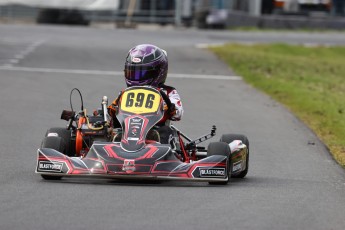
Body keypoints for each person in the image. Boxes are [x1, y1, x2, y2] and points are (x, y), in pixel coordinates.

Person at [108, 44, 184, 144]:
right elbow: (111, 115)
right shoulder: (125, 93)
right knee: (113, 130)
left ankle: (163, 154)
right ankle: (116, 146)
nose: (137, 77)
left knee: (166, 132)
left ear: (158, 72)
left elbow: (178, 114)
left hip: (156, 130)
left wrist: (169, 107)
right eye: (133, 72)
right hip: (127, 129)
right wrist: (112, 110)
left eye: (142, 72)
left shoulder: (168, 92)